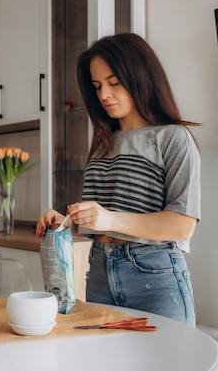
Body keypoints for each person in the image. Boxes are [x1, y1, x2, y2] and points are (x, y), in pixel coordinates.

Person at [36, 33, 201, 326]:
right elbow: (103, 218)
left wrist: (108, 220)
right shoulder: (103, 143)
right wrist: (65, 221)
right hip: (99, 270)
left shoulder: (172, 137)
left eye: (114, 83)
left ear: (141, 77)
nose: (104, 95)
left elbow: (182, 223)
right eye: (97, 86)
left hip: (154, 275)